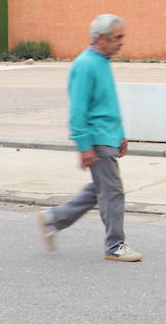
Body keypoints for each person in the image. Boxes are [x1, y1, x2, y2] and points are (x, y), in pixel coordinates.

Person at [36, 14, 142, 262]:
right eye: (117, 38)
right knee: (112, 191)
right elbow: (78, 111)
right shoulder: (85, 65)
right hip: (96, 138)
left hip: (108, 136)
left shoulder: (102, 61)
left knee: (101, 189)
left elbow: (107, 104)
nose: (121, 43)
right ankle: (115, 246)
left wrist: (120, 135)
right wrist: (84, 146)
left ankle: (53, 219)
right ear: (102, 38)